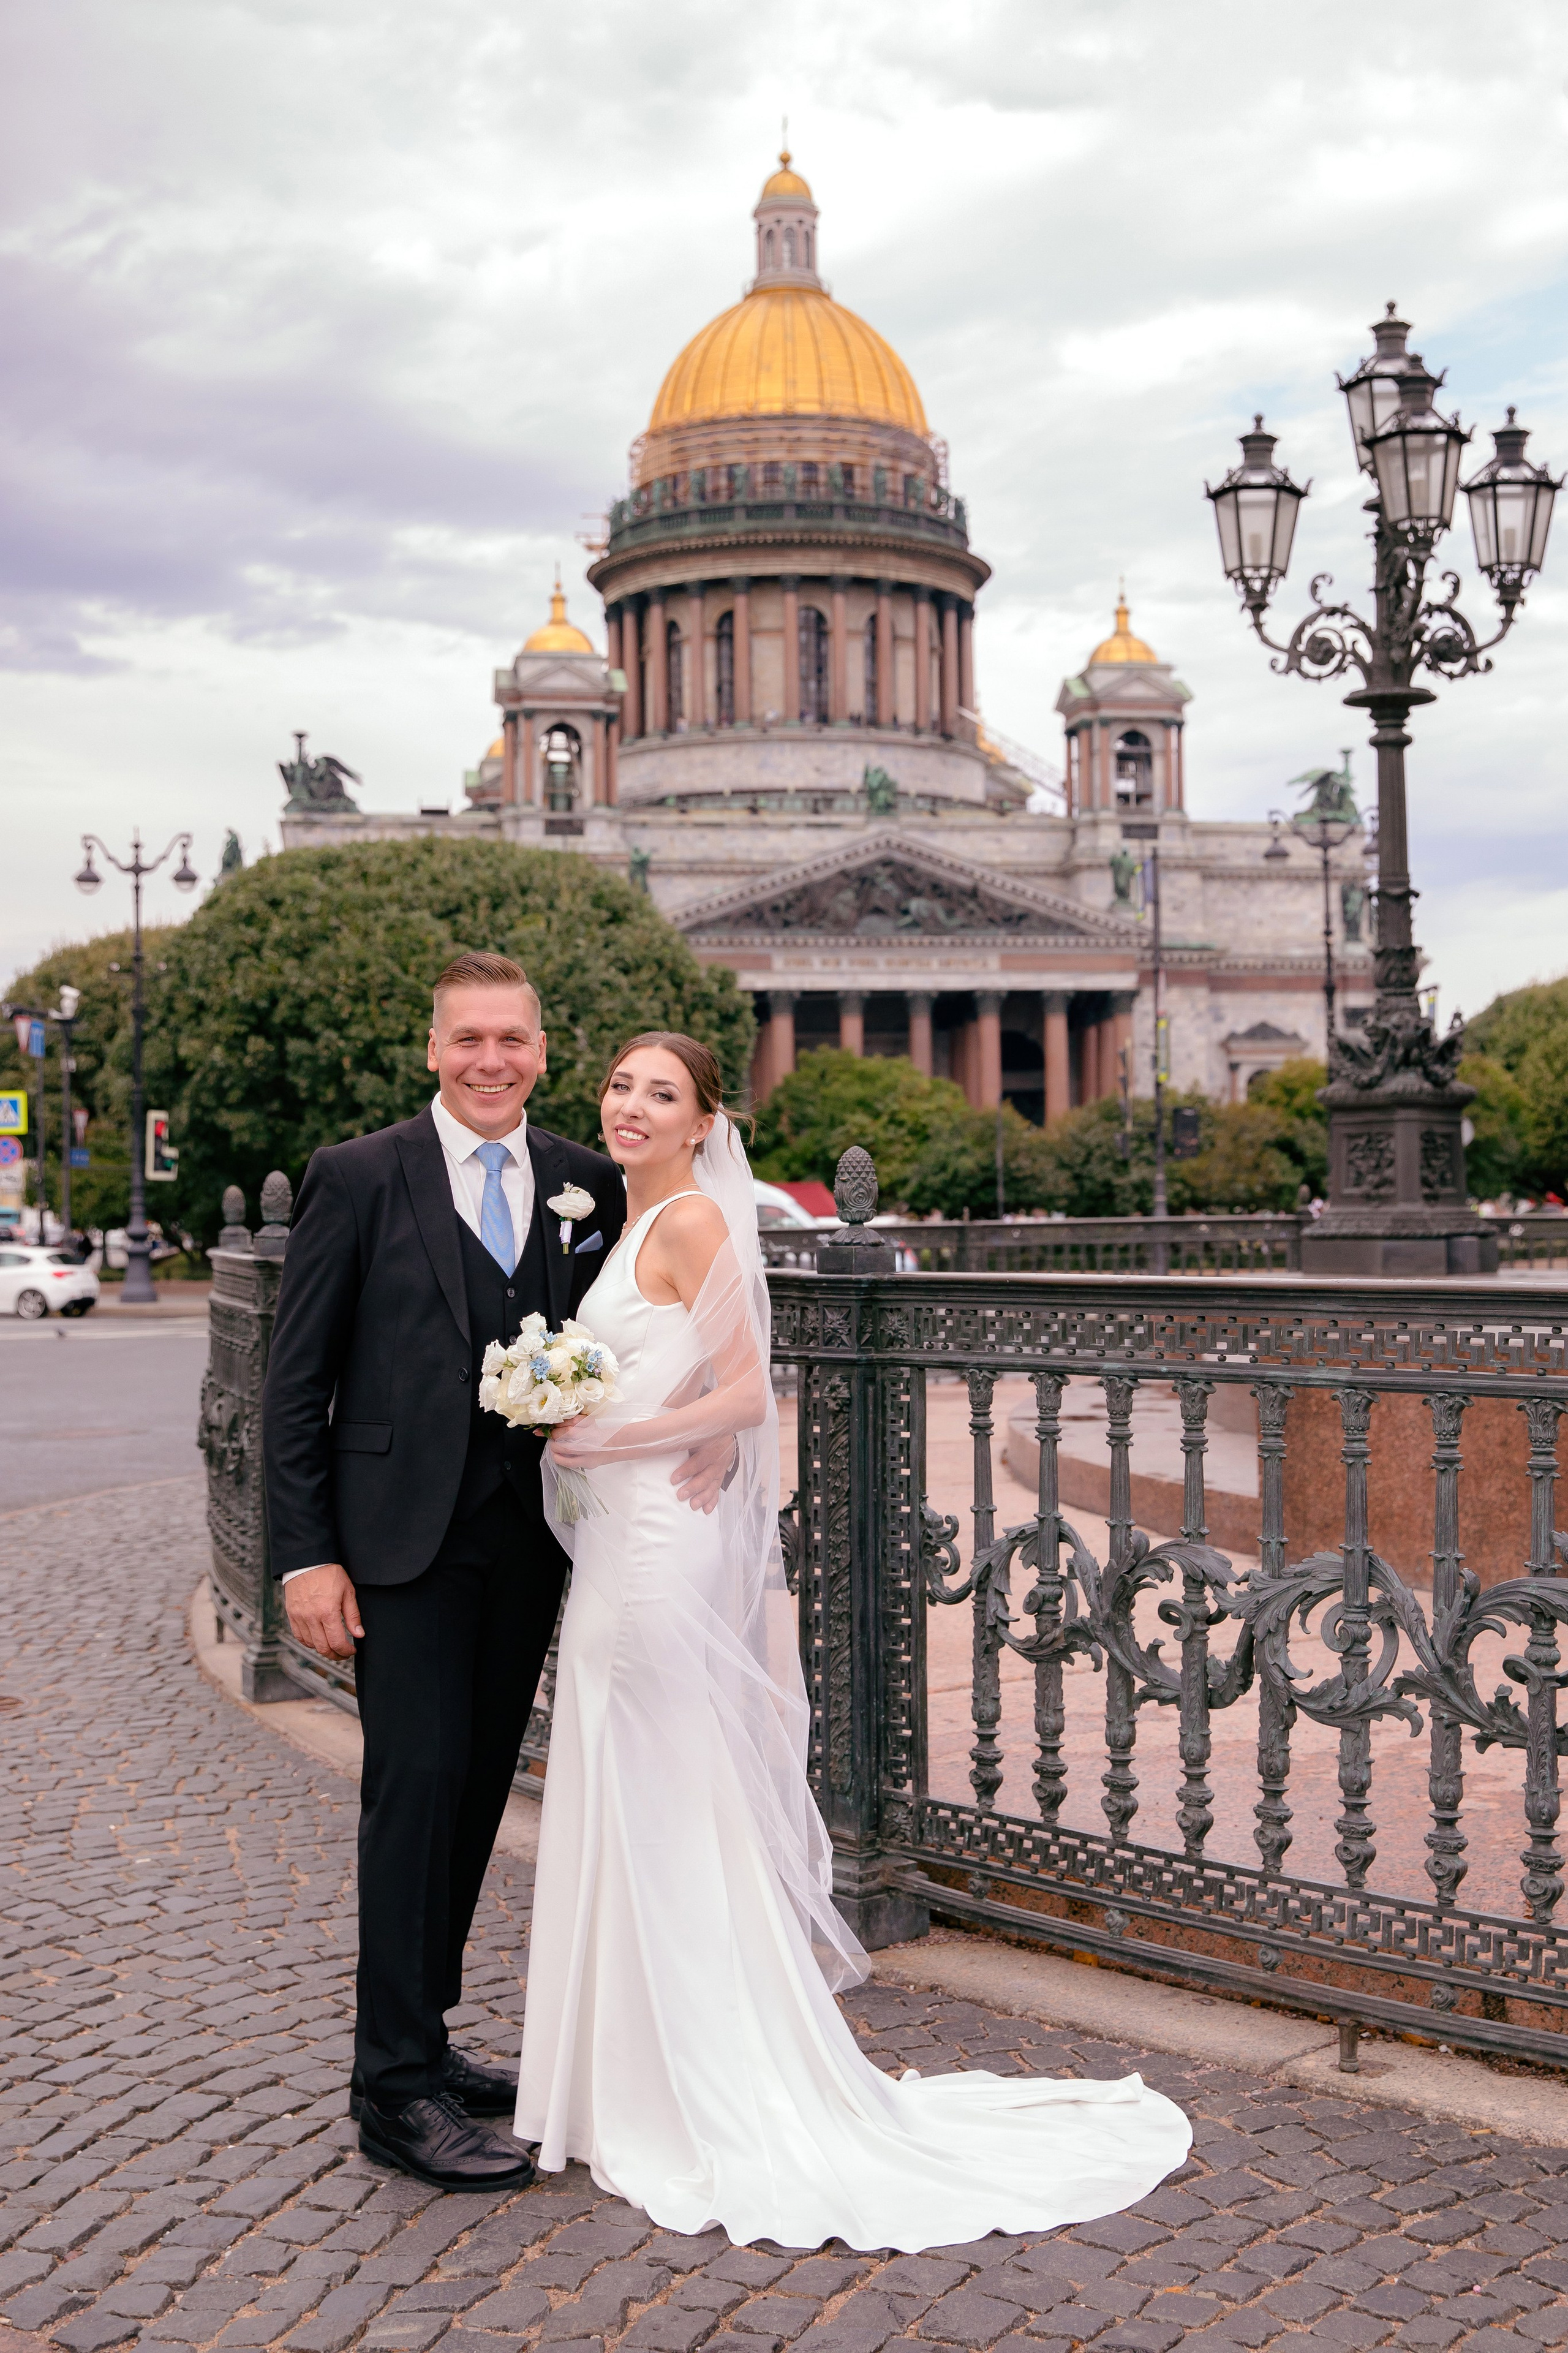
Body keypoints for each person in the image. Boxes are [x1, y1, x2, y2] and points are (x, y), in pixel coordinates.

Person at [515, 1031, 1191, 2253]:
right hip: (624, 1541)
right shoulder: (627, 1219)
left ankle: (686, 2073)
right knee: (635, 1786)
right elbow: (675, 1382)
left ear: (702, 1119)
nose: (629, 1105)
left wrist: (597, 1436)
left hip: (655, 1543)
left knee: (664, 1792)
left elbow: (741, 1389)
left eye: (658, 1092)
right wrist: (584, 1405)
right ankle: (626, 2071)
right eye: (619, 1084)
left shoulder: (691, 1228)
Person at [262, 954, 643, 2192]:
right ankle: (390, 2091)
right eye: (468, 1039)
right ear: (432, 1049)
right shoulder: (357, 1176)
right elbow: (293, 1385)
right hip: (395, 1549)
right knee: (412, 1794)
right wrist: (305, 1554)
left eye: (514, 1040)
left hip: (530, 1541)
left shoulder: (590, 1184)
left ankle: (424, 2039)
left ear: (542, 1049)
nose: (491, 1060)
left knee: (478, 1794)